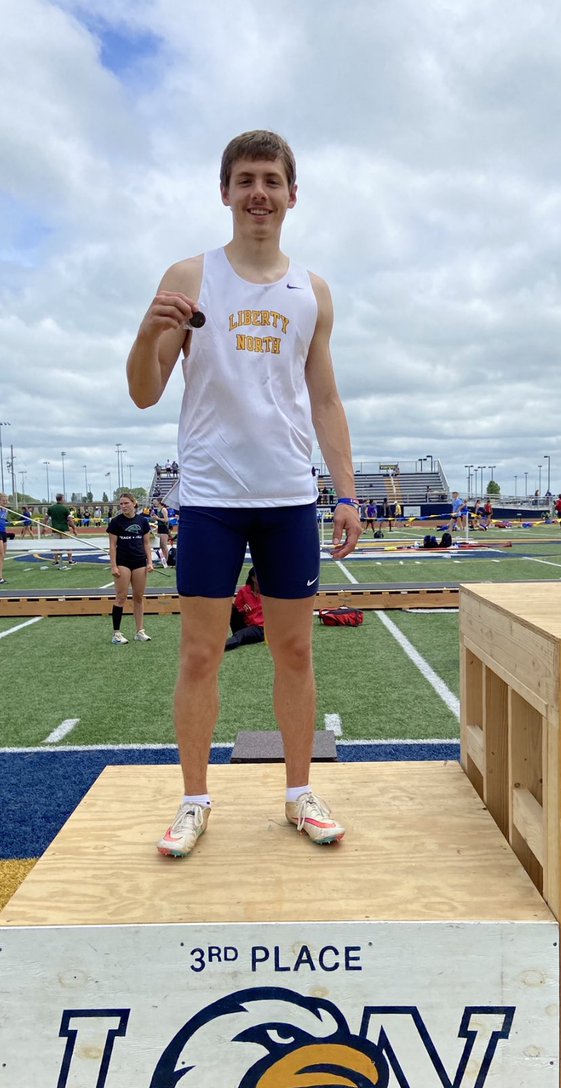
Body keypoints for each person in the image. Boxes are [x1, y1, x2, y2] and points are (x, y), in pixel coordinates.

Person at [126, 128, 362, 858]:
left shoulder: (311, 291)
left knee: (294, 653)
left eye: (271, 180)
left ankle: (299, 794)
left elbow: (323, 398)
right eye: (245, 180)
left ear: (293, 194)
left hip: (289, 496)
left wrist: (347, 494)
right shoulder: (191, 277)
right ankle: (194, 800)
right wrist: (146, 331)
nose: (259, 192)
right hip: (210, 498)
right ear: (223, 191)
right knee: (200, 655)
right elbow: (143, 392)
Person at [107, 492, 153, 644]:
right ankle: (116, 634)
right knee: (121, 597)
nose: (123, 506)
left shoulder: (142, 521)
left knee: (138, 597)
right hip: (123, 562)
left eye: (126, 503)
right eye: (121, 504)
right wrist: (113, 565)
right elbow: (112, 546)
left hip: (139, 562)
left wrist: (150, 562)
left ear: (134, 503)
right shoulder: (115, 522)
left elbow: (146, 543)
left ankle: (140, 631)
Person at [224, 566, 265, 650]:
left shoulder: (268, 592)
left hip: (261, 628)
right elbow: (237, 611)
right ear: (253, 578)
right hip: (247, 625)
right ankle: (215, 635)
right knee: (230, 607)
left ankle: (219, 647)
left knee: (241, 635)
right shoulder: (244, 592)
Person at [46, 493, 77, 567]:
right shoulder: (65, 508)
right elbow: (70, 520)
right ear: (62, 499)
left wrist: (43, 527)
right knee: (68, 546)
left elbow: (46, 518)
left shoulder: (51, 508)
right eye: (64, 498)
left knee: (56, 546)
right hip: (64, 529)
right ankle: (70, 560)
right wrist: (74, 528)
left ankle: (56, 561)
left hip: (55, 529)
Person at [155, 498, 170, 566]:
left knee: (164, 545)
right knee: (160, 545)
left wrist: (158, 518)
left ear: (159, 502)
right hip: (160, 528)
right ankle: (162, 560)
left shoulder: (163, 509)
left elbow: (166, 520)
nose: (155, 502)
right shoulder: (158, 509)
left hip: (164, 529)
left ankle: (166, 561)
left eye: (156, 501)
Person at [0, 493, 8, 583]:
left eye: (6, 500)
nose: (5, 502)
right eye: (3, 500)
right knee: (1, 554)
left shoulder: (6, 510)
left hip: (3, 532)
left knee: (2, 556)